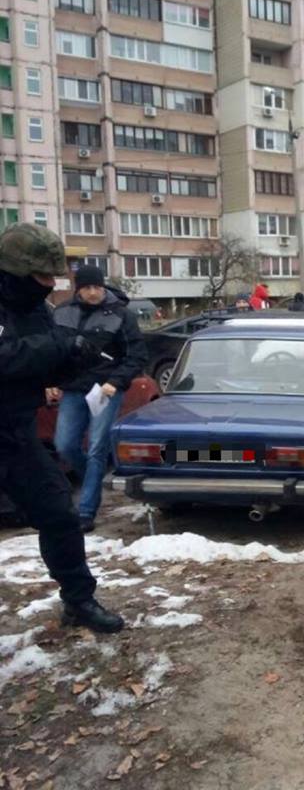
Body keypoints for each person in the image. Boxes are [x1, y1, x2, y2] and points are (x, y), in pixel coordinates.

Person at [0, 224, 124, 633]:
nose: (50, 284)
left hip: (16, 433)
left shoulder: (36, 308)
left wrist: (76, 360)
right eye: (41, 276)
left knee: (59, 514)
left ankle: (78, 600)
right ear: (16, 270)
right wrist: (60, 347)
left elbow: (43, 357)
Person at [52, 265, 147, 532]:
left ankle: (86, 511)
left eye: (97, 287)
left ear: (103, 287)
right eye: (87, 288)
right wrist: (50, 380)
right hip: (73, 388)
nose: (93, 293)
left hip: (105, 390)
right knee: (64, 445)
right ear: (78, 289)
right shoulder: (62, 312)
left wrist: (115, 382)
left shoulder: (121, 314)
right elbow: (53, 351)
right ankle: (94, 479)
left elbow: (137, 355)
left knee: (97, 448)